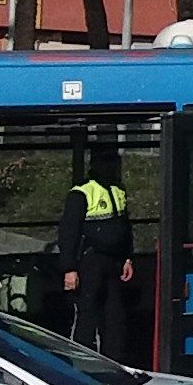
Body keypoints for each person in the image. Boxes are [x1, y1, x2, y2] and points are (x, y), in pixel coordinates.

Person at [59, 148, 135, 361]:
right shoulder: (81, 192)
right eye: (108, 163)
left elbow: (125, 227)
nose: (113, 167)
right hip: (89, 262)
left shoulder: (118, 189)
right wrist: (69, 269)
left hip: (114, 262)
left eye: (115, 163)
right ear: (95, 165)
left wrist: (128, 257)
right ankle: (80, 363)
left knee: (114, 317)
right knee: (87, 314)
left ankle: (114, 362)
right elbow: (68, 232)